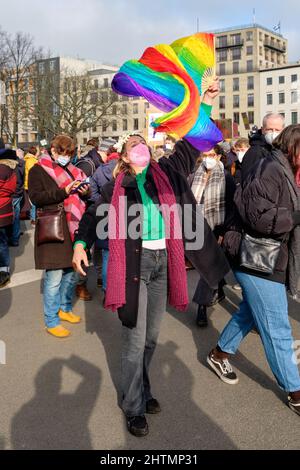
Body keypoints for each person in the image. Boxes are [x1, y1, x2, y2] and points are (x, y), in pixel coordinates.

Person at [207, 124, 300, 417]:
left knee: (250, 310)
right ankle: (296, 392)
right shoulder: (270, 168)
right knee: (276, 327)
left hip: (271, 256)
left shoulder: (284, 167)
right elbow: (257, 217)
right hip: (257, 257)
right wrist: (296, 215)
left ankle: (219, 353)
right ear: (293, 147)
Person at [28, 135, 89, 338]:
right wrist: (64, 191)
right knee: (54, 278)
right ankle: (51, 320)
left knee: (71, 274)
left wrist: (85, 192)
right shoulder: (38, 169)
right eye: (62, 153)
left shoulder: (73, 170)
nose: (66, 157)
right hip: (53, 226)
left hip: (73, 226)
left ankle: (65, 309)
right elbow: (36, 198)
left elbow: (83, 196)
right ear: (53, 150)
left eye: (69, 154)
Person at [191, 145, 236, 327]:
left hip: (216, 228)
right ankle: (220, 286)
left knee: (207, 269)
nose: (208, 158)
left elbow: (232, 208)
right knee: (209, 266)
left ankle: (201, 306)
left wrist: (223, 231)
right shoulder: (195, 175)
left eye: (212, 155)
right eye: (205, 155)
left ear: (218, 156)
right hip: (197, 227)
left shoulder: (226, 177)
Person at [241, 113, 285, 181]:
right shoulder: (255, 151)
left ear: (283, 130)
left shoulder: (283, 149)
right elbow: (248, 181)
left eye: (277, 130)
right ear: (262, 130)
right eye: (269, 129)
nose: (273, 133)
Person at [0, 144, 17, 287]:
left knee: (1, 244)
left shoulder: (1, 169)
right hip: (6, 211)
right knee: (3, 243)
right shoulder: (10, 169)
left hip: (1, 211)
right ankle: (4, 271)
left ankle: (3, 273)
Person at [8, 149, 25, 246]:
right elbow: (22, 179)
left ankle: (13, 236)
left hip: (12, 193)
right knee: (16, 216)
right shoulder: (20, 164)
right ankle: (15, 236)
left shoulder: (9, 166)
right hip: (18, 192)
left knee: (11, 216)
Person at [24, 146, 40, 225]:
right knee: (33, 202)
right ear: (35, 152)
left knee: (33, 202)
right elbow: (33, 173)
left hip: (30, 184)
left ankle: (34, 218)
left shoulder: (31, 159)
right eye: (38, 151)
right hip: (31, 184)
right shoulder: (31, 160)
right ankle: (33, 219)